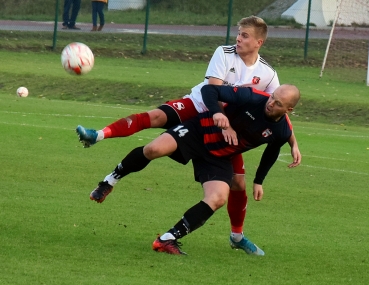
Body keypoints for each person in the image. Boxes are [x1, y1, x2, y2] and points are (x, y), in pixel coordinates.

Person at [76, 16, 301, 255]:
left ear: (259, 42)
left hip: (227, 132)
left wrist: (293, 144)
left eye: (244, 35)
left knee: (236, 184)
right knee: (155, 125)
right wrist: (225, 123)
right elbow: (211, 90)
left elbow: (279, 112)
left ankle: (236, 236)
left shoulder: (267, 74)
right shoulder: (225, 53)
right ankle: (99, 140)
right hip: (202, 109)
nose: (238, 38)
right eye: (238, 33)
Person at [88, 83, 301, 255]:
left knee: (218, 198)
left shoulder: (282, 131)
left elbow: (272, 151)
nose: (271, 103)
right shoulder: (254, 97)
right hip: (199, 131)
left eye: (278, 103)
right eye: (272, 97)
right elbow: (210, 90)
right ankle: (109, 181)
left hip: (219, 156)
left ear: (289, 110)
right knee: (153, 149)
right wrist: (219, 115)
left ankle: (167, 239)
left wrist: (259, 181)